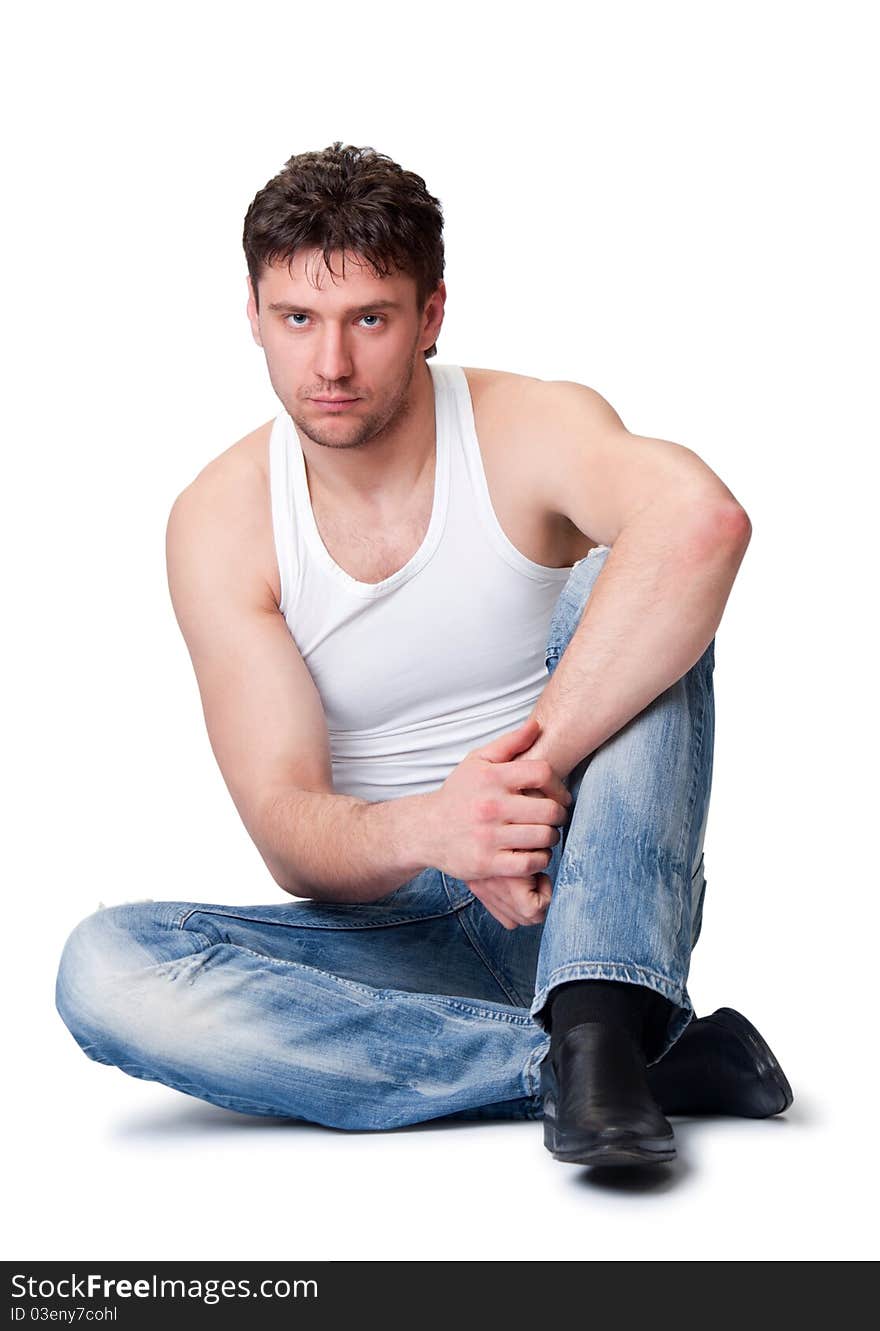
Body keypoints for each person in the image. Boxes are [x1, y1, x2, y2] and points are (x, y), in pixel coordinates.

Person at [55, 141, 793, 1168]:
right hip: (400, 935)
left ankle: (593, 1010)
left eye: (369, 317)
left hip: (581, 883)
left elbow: (701, 522)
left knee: (626, 574)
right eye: (297, 319)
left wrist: (519, 779)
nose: (331, 364)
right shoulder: (221, 522)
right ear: (254, 317)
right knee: (105, 969)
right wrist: (441, 827)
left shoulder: (528, 423)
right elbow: (287, 828)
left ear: (429, 315)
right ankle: (599, 1063)